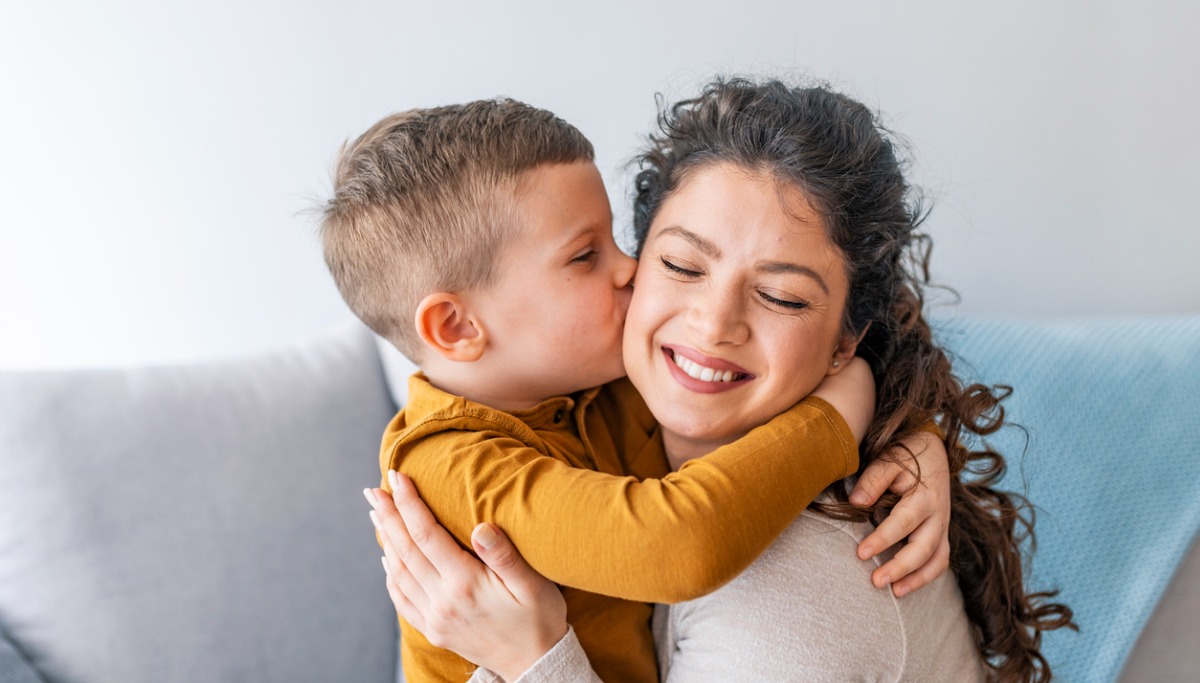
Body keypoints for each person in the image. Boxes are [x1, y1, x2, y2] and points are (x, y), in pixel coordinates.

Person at [369, 78, 1076, 682]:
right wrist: (863, 405)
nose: (712, 326)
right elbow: (675, 537)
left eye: (782, 297)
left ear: (846, 340)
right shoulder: (539, 407)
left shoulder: (794, 600)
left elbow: (682, 541)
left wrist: (531, 658)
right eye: (680, 265)